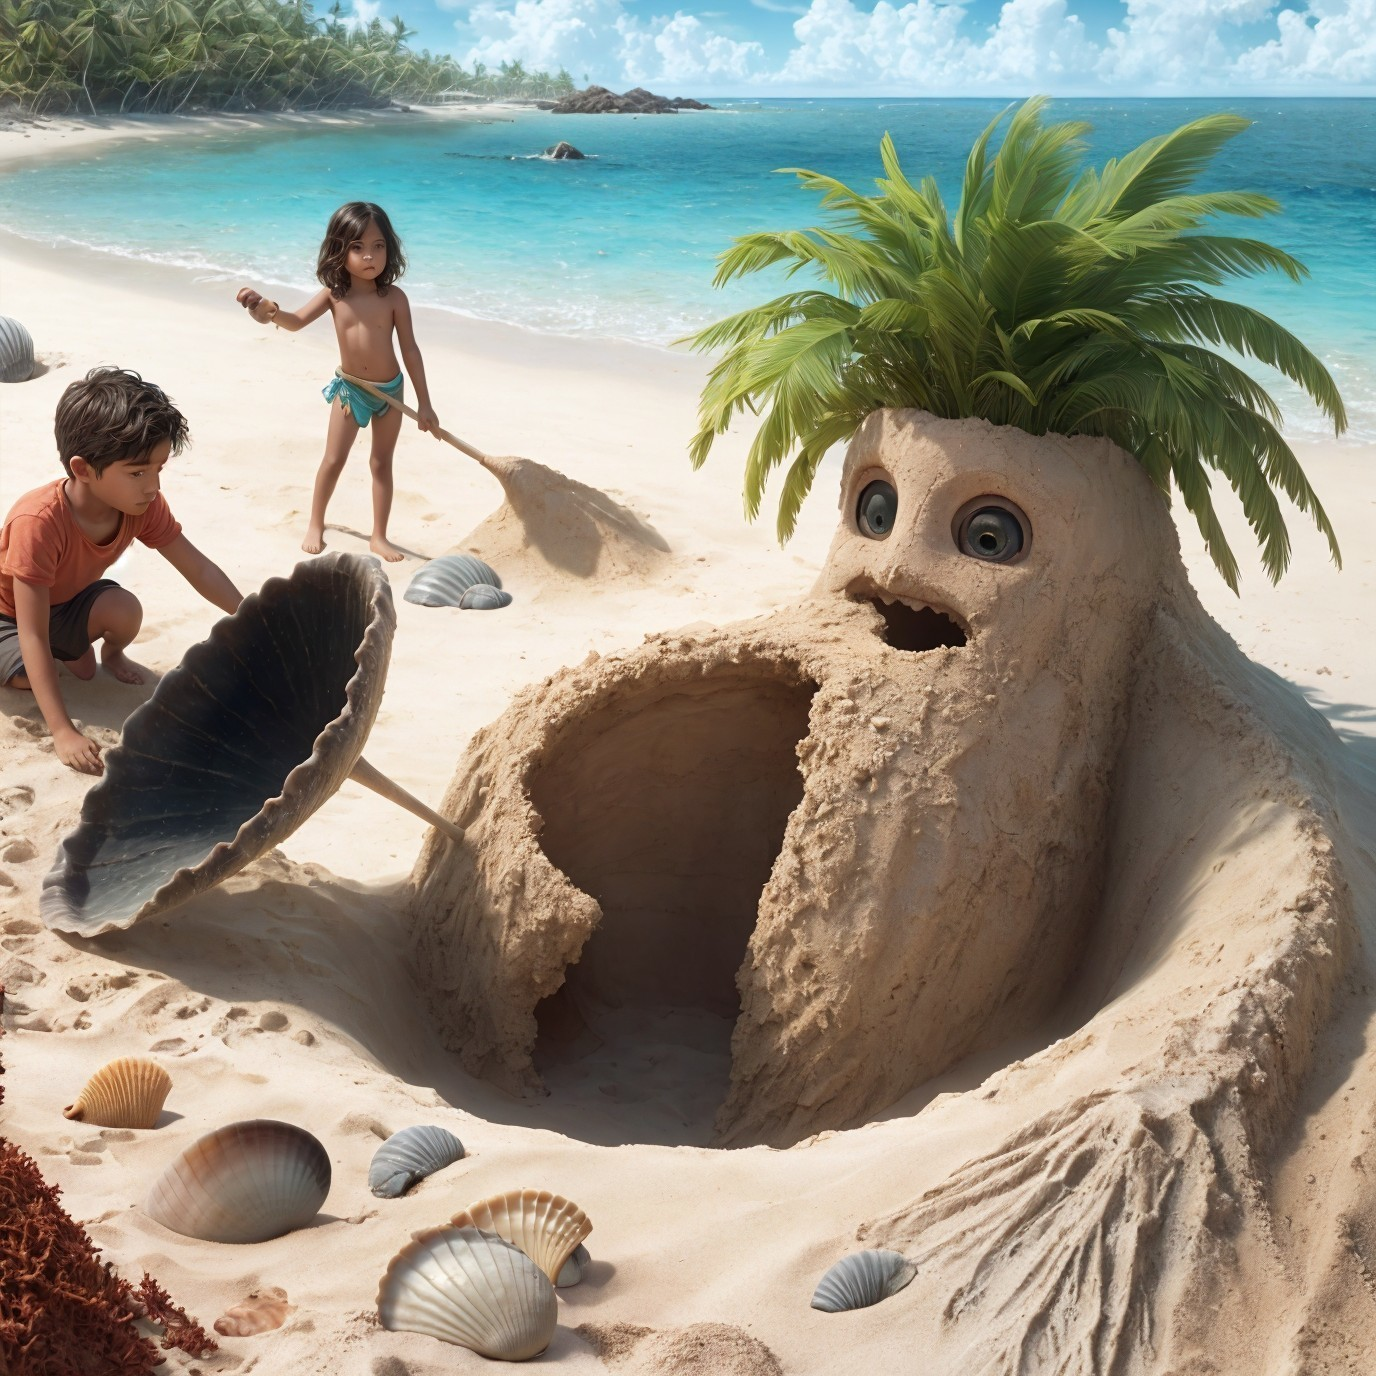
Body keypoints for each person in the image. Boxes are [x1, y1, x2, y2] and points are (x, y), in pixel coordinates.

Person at [0, 367, 243, 776]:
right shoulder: (38, 521)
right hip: (10, 616)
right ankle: (68, 653)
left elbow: (198, 568)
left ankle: (105, 653)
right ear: (81, 469)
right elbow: (32, 631)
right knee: (28, 675)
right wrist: (62, 731)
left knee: (125, 609)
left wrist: (255, 614)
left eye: (159, 469)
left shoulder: (141, 506)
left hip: (67, 603)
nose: (152, 486)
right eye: (137, 472)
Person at [235, 201, 441, 561]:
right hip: (352, 391)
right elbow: (295, 321)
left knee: (381, 462)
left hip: (391, 391)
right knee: (333, 458)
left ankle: (379, 536)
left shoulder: (394, 298)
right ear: (339, 250)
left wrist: (425, 403)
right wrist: (265, 311)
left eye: (378, 246)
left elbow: (410, 351)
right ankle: (316, 522)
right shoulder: (336, 295)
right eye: (357, 247)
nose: (369, 257)